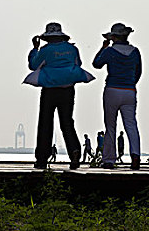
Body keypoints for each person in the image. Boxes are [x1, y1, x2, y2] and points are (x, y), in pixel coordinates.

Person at [23, 22, 95, 169]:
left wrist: (34, 49)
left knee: (45, 123)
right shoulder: (72, 49)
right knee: (67, 122)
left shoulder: (45, 50)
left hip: (49, 90)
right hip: (68, 90)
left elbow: (33, 65)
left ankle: (42, 158)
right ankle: (74, 152)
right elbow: (78, 64)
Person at [93, 23, 142, 170]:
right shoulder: (135, 52)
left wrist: (103, 47)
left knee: (110, 126)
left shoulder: (109, 51)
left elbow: (96, 64)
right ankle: (135, 156)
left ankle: (109, 160)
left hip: (112, 89)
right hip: (129, 91)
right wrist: (130, 84)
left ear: (113, 37)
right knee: (131, 125)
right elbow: (138, 72)